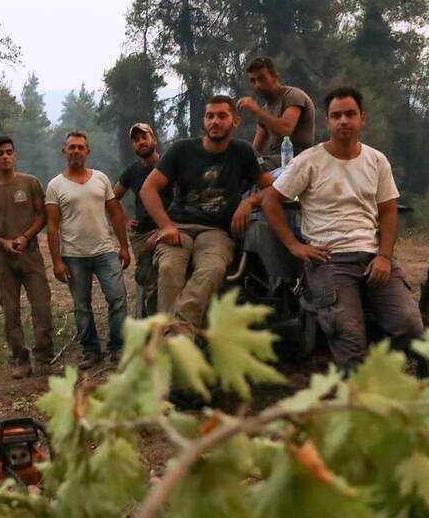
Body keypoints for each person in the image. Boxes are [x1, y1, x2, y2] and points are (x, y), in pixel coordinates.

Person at [262, 86, 424, 370]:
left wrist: (385, 256)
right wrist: (294, 246)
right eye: (336, 116)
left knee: (410, 325)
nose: (343, 121)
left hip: (371, 256)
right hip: (329, 259)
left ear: (362, 118)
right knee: (349, 335)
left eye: (350, 114)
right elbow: (271, 200)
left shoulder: (376, 160)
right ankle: (356, 387)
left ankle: (393, 376)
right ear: (327, 121)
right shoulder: (309, 161)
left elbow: (388, 211)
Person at [139, 96, 275, 328]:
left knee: (212, 270)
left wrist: (249, 202)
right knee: (170, 268)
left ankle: (175, 333)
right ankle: (176, 336)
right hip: (178, 227)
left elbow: (272, 187)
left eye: (222, 116)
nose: (215, 121)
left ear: (235, 121)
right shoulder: (182, 149)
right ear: (204, 121)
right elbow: (148, 189)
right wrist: (166, 225)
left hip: (216, 231)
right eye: (209, 116)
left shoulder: (243, 151)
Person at [45, 131, 132, 369]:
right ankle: (90, 351)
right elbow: (52, 226)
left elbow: (116, 213)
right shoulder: (55, 185)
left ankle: (118, 348)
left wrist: (124, 247)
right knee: (82, 306)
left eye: (80, 147)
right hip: (73, 256)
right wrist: (57, 261)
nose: (76, 151)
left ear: (87, 152)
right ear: (64, 151)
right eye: (71, 147)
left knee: (118, 298)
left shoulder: (101, 179)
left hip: (105, 251)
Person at [0, 135, 54, 378]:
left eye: (9, 152)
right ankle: (20, 360)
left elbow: (42, 216)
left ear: (15, 155)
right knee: (10, 312)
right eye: (0, 153)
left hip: (30, 254)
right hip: (3, 258)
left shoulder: (30, 183)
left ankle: (44, 358)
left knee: (41, 306)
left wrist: (25, 237)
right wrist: (3, 242)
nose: (5, 157)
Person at [112, 122, 169, 316]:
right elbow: (112, 198)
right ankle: (152, 323)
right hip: (142, 234)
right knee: (149, 281)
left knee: (170, 276)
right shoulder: (132, 171)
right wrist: (126, 220)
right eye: (136, 140)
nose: (141, 142)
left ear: (154, 139)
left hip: (170, 229)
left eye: (144, 137)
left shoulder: (168, 164)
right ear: (133, 146)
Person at [239, 55, 316, 172]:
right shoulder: (265, 110)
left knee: (254, 170)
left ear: (275, 77)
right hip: (275, 162)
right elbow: (256, 149)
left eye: (261, 79)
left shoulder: (293, 95)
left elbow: (286, 129)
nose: (257, 85)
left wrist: (256, 110)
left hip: (297, 161)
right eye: (253, 81)